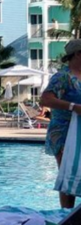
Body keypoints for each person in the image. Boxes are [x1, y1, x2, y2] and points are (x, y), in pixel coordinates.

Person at [41, 39, 81, 209]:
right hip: (63, 131)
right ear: (78, 54)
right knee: (68, 172)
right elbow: (45, 98)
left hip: (79, 130)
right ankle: (66, 214)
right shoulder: (62, 77)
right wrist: (73, 107)